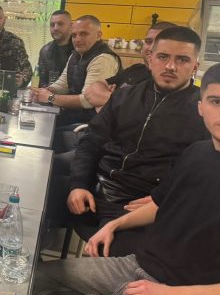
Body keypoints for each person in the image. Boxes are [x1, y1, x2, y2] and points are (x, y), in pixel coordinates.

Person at [30, 60, 220, 295]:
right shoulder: (197, 152)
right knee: (28, 283)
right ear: (201, 107)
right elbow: (161, 205)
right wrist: (115, 225)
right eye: (216, 101)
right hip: (137, 266)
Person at [65, 26, 210, 255]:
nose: (170, 66)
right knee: (34, 201)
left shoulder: (205, 112)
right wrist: (78, 185)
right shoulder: (125, 96)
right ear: (151, 59)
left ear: (195, 66)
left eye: (182, 60)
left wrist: (165, 199)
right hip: (96, 190)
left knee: (106, 258)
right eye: (163, 57)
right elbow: (91, 142)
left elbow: (202, 174)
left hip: (142, 208)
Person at [32, 15, 121, 127]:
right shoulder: (75, 54)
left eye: (83, 34)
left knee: (42, 128)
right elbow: (63, 84)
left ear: (98, 36)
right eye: (74, 35)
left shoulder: (103, 59)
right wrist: (43, 92)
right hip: (75, 116)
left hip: (91, 124)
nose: (77, 40)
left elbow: (88, 101)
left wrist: (50, 98)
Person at [84, 21, 177, 108]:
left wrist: (109, 101)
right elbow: (91, 91)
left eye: (159, 42)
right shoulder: (136, 69)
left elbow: (144, 112)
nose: (151, 48)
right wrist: (115, 99)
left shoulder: (170, 82)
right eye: (148, 41)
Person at [37, 10, 74, 87]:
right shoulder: (45, 51)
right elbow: (41, 82)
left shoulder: (79, 50)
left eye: (60, 24)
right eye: (52, 25)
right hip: (49, 92)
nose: (55, 28)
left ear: (71, 26)